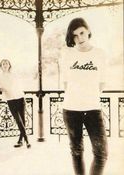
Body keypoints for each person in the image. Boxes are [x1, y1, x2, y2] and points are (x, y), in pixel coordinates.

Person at [61, 18, 108, 175]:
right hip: (71, 109)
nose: (79, 38)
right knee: (77, 152)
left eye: (81, 33)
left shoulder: (99, 54)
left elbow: (102, 83)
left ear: (88, 31)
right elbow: (65, 83)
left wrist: (88, 96)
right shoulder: (67, 54)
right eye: (74, 36)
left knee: (101, 154)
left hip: (93, 109)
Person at [0, 59, 31, 148]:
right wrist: (3, 89)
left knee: (22, 119)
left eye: (6, 63)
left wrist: (23, 96)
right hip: (10, 99)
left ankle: (21, 140)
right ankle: (27, 140)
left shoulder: (14, 74)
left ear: (9, 65)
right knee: (18, 119)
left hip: (19, 97)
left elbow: (19, 85)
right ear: (1, 66)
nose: (5, 65)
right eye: (3, 64)